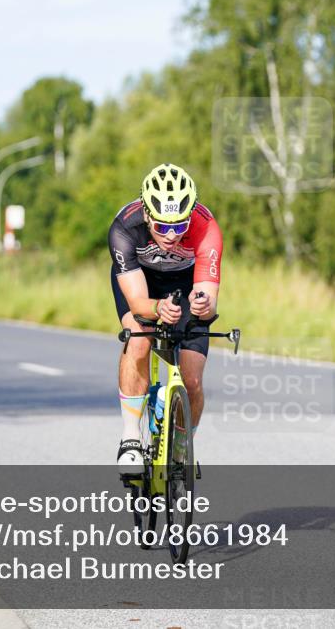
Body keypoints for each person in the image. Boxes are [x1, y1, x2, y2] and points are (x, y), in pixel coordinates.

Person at [108, 164, 222, 473]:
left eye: (179, 225)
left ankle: (183, 445)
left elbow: (208, 297)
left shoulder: (206, 227)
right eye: (162, 226)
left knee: (193, 379)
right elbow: (138, 303)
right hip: (141, 284)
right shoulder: (124, 228)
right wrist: (157, 309)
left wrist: (202, 307)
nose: (171, 235)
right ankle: (131, 437)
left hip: (185, 286)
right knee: (138, 340)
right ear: (146, 214)